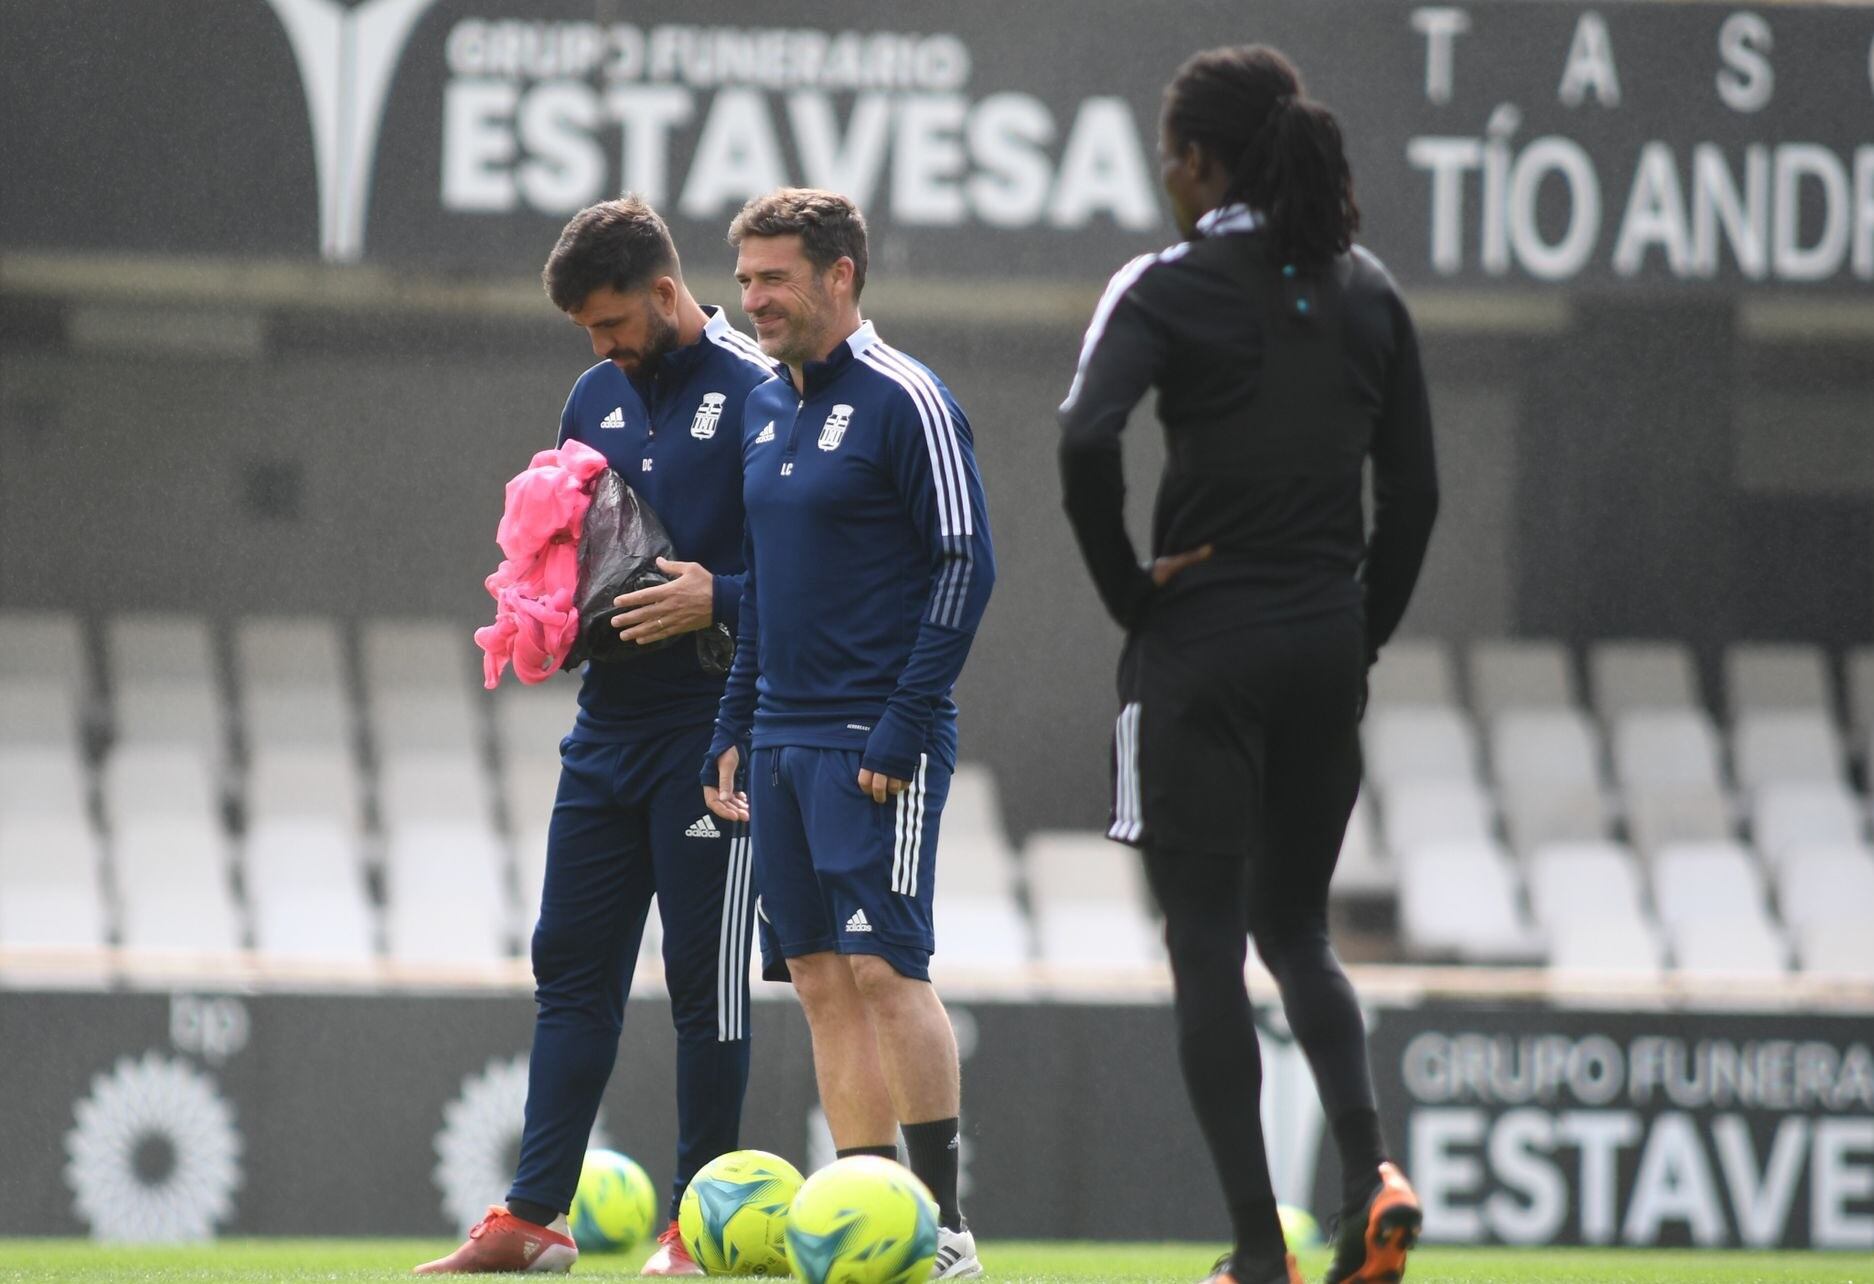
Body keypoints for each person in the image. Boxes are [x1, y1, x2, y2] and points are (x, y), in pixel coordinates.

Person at [1056, 45, 1440, 1284]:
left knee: (1206, 940)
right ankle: (1367, 1175)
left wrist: (1127, 591)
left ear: (1199, 161)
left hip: (1202, 645)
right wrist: (1359, 629)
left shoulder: (1164, 286)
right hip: (1324, 642)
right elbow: (1417, 496)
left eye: (1169, 157)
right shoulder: (1368, 290)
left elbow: (1083, 436)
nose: (1163, 179)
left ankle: (1253, 1253)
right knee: (1299, 931)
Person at [418, 196, 775, 1277]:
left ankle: (692, 1232)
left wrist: (716, 602)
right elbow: (580, 552)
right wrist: (541, 611)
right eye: (587, 333)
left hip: (713, 728)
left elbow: (818, 586)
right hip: (607, 724)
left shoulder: (759, 390)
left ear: (667, 292)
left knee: (704, 985)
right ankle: (532, 1222)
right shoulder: (591, 392)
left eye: (614, 323)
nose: (603, 349)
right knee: (568, 968)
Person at [700, 188, 995, 1280]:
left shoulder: (905, 397)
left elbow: (968, 562)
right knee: (819, 980)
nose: (753, 300)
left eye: (773, 278)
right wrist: (734, 720)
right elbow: (767, 589)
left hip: (875, 743)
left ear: (840, 277)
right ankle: (872, 1224)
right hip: (776, 739)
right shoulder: (765, 407)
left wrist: (903, 723)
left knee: (884, 972)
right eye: (744, 280)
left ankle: (945, 1225)